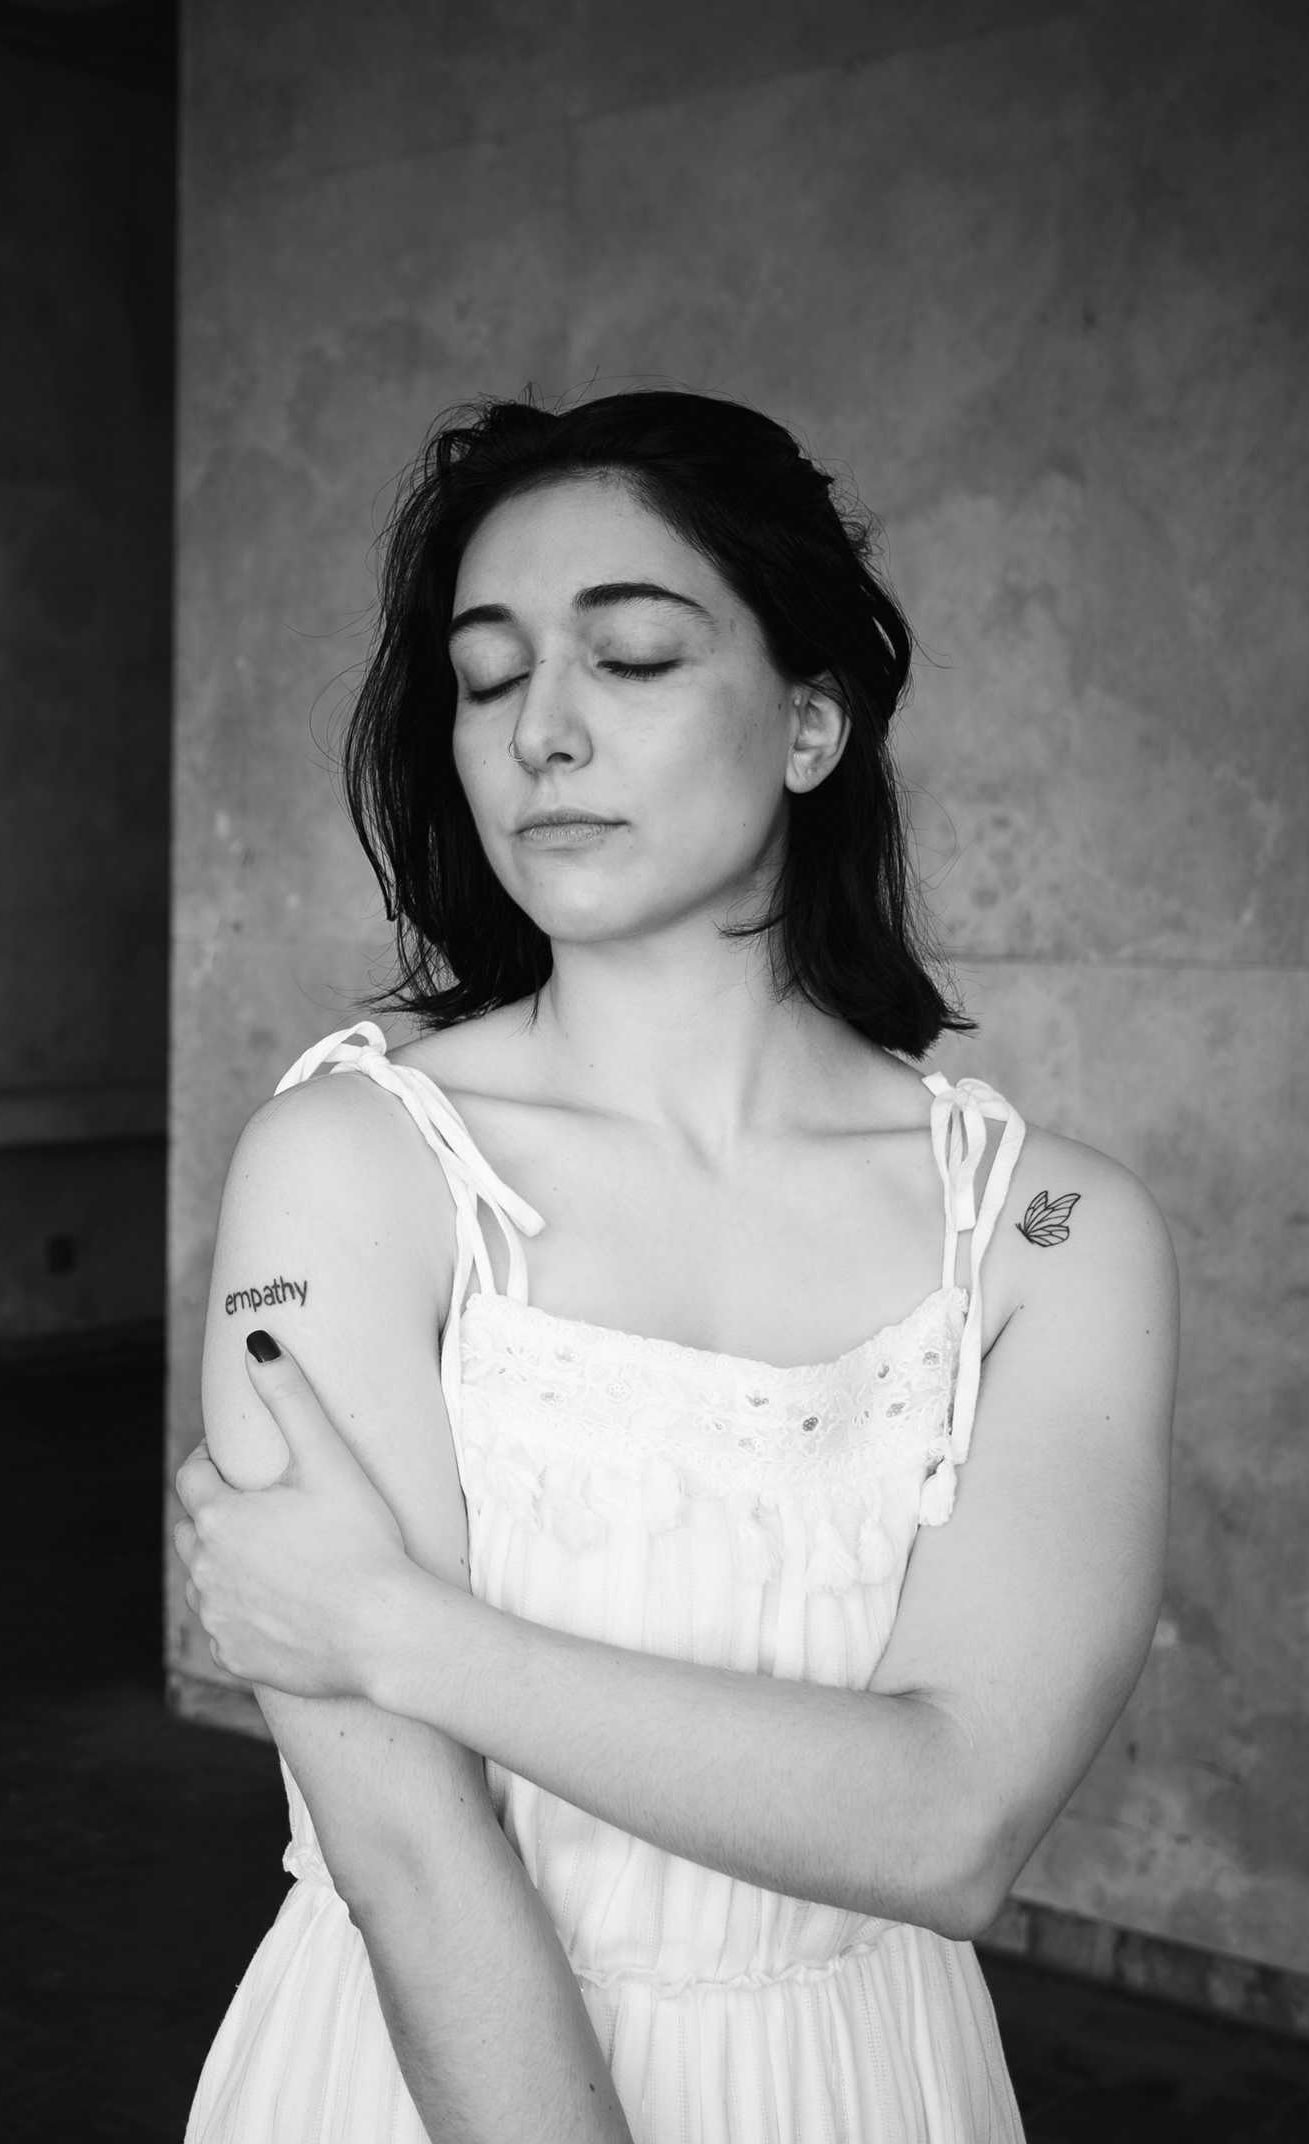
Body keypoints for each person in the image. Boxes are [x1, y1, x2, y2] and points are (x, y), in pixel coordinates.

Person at [171, 394, 1177, 2142]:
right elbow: (406, 1853)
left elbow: (953, 1822)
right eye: (487, 676)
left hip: (860, 2086)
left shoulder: (1051, 1236)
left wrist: (389, 1630)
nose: (540, 732)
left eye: (631, 657)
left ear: (810, 723)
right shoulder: (347, 1164)